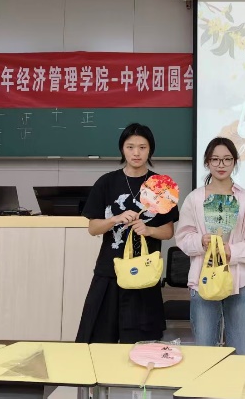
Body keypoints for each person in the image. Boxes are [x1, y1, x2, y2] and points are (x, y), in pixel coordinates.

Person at [76, 123, 178, 344]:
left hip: (144, 276)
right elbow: (93, 228)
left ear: (150, 150)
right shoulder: (107, 182)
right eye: (130, 147)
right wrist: (114, 219)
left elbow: (168, 232)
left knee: (141, 345)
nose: (136, 152)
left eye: (142, 147)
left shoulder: (161, 186)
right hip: (109, 272)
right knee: (99, 341)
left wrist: (149, 229)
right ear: (122, 149)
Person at [175, 137, 245, 354]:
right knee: (205, 348)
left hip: (240, 281)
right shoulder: (194, 199)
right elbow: (183, 236)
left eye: (227, 159)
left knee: (240, 349)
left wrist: (231, 251)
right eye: (215, 159)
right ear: (207, 162)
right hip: (204, 279)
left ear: (234, 162)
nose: (221, 164)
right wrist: (201, 241)